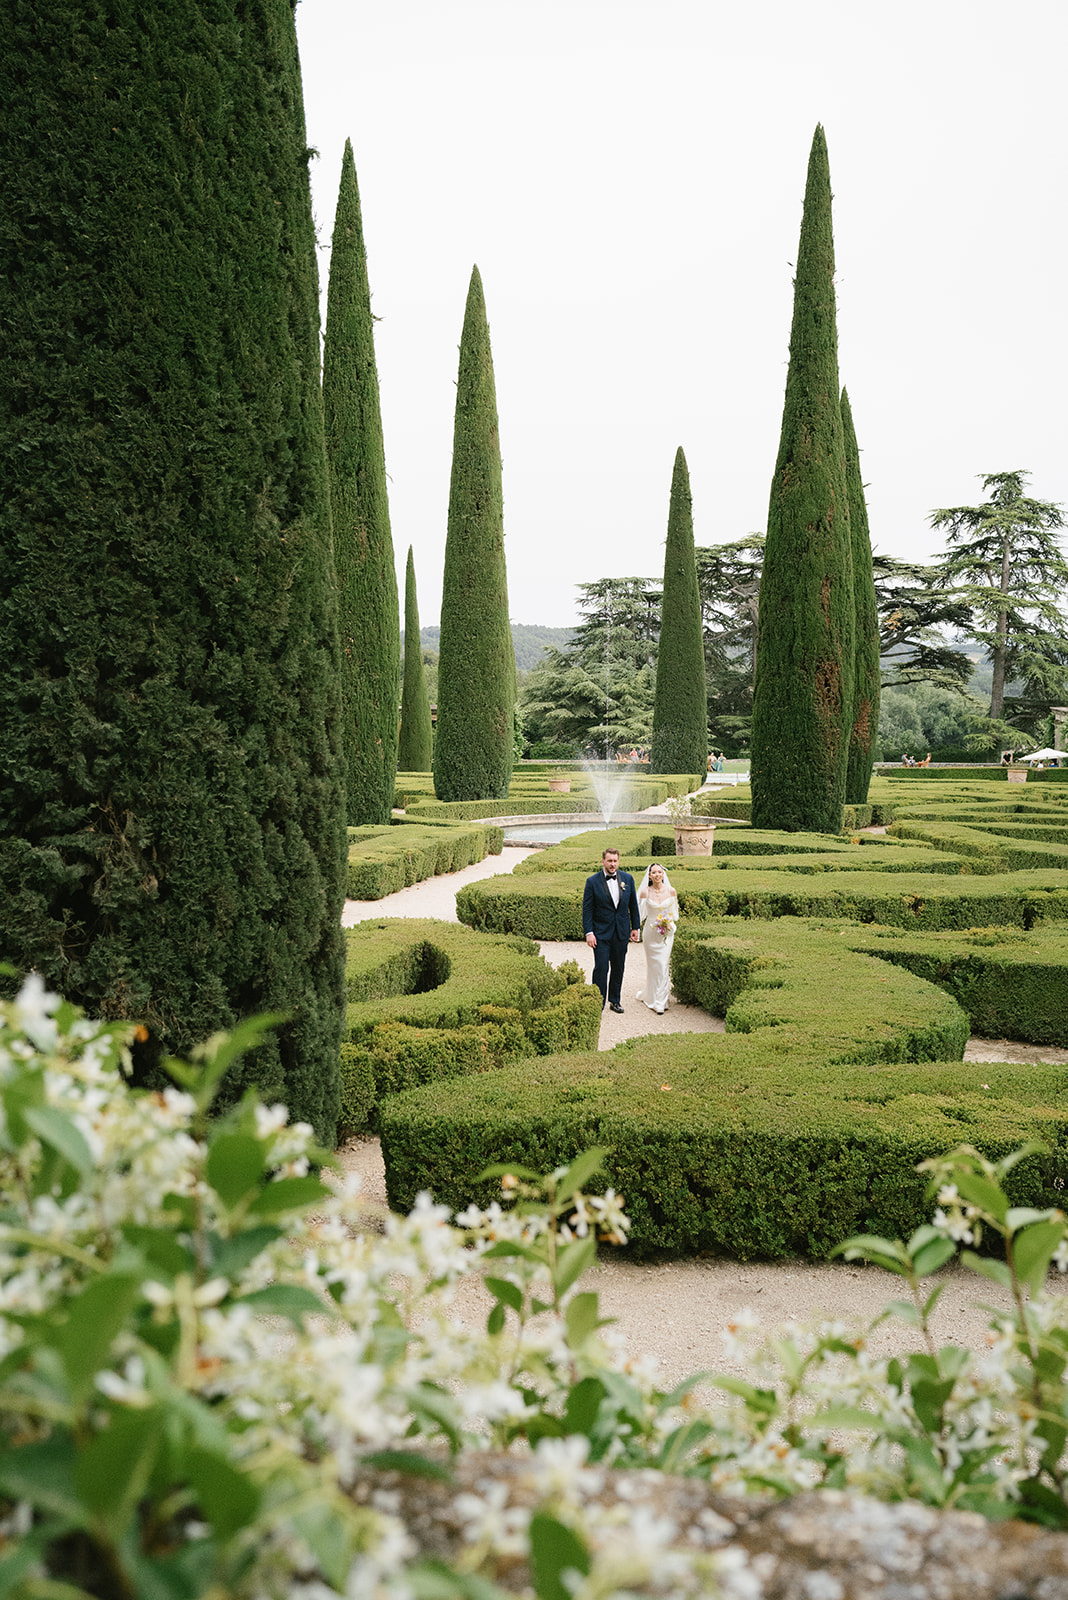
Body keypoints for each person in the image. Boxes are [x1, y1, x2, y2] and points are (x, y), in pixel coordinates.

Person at [582, 846, 640, 1013]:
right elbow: (587, 910)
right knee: (601, 968)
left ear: (618, 861)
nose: (613, 864)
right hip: (600, 933)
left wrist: (635, 926)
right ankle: (597, 1003)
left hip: (621, 932)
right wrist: (589, 932)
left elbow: (633, 905)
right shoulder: (592, 881)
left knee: (618, 967)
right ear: (603, 861)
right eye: (609, 861)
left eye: (615, 861)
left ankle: (615, 1000)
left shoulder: (627, 879)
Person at [636, 862, 678, 1014]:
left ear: (663, 874)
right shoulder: (644, 893)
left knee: (663, 964)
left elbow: (674, 913)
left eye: (659, 872)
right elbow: (639, 916)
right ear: (649, 875)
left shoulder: (671, 891)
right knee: (654, 966)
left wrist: (667, 923)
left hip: (666, 933)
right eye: (654, 872)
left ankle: (661, 1001)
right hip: (651, 934)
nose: (657, 875)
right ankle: (652, 995)